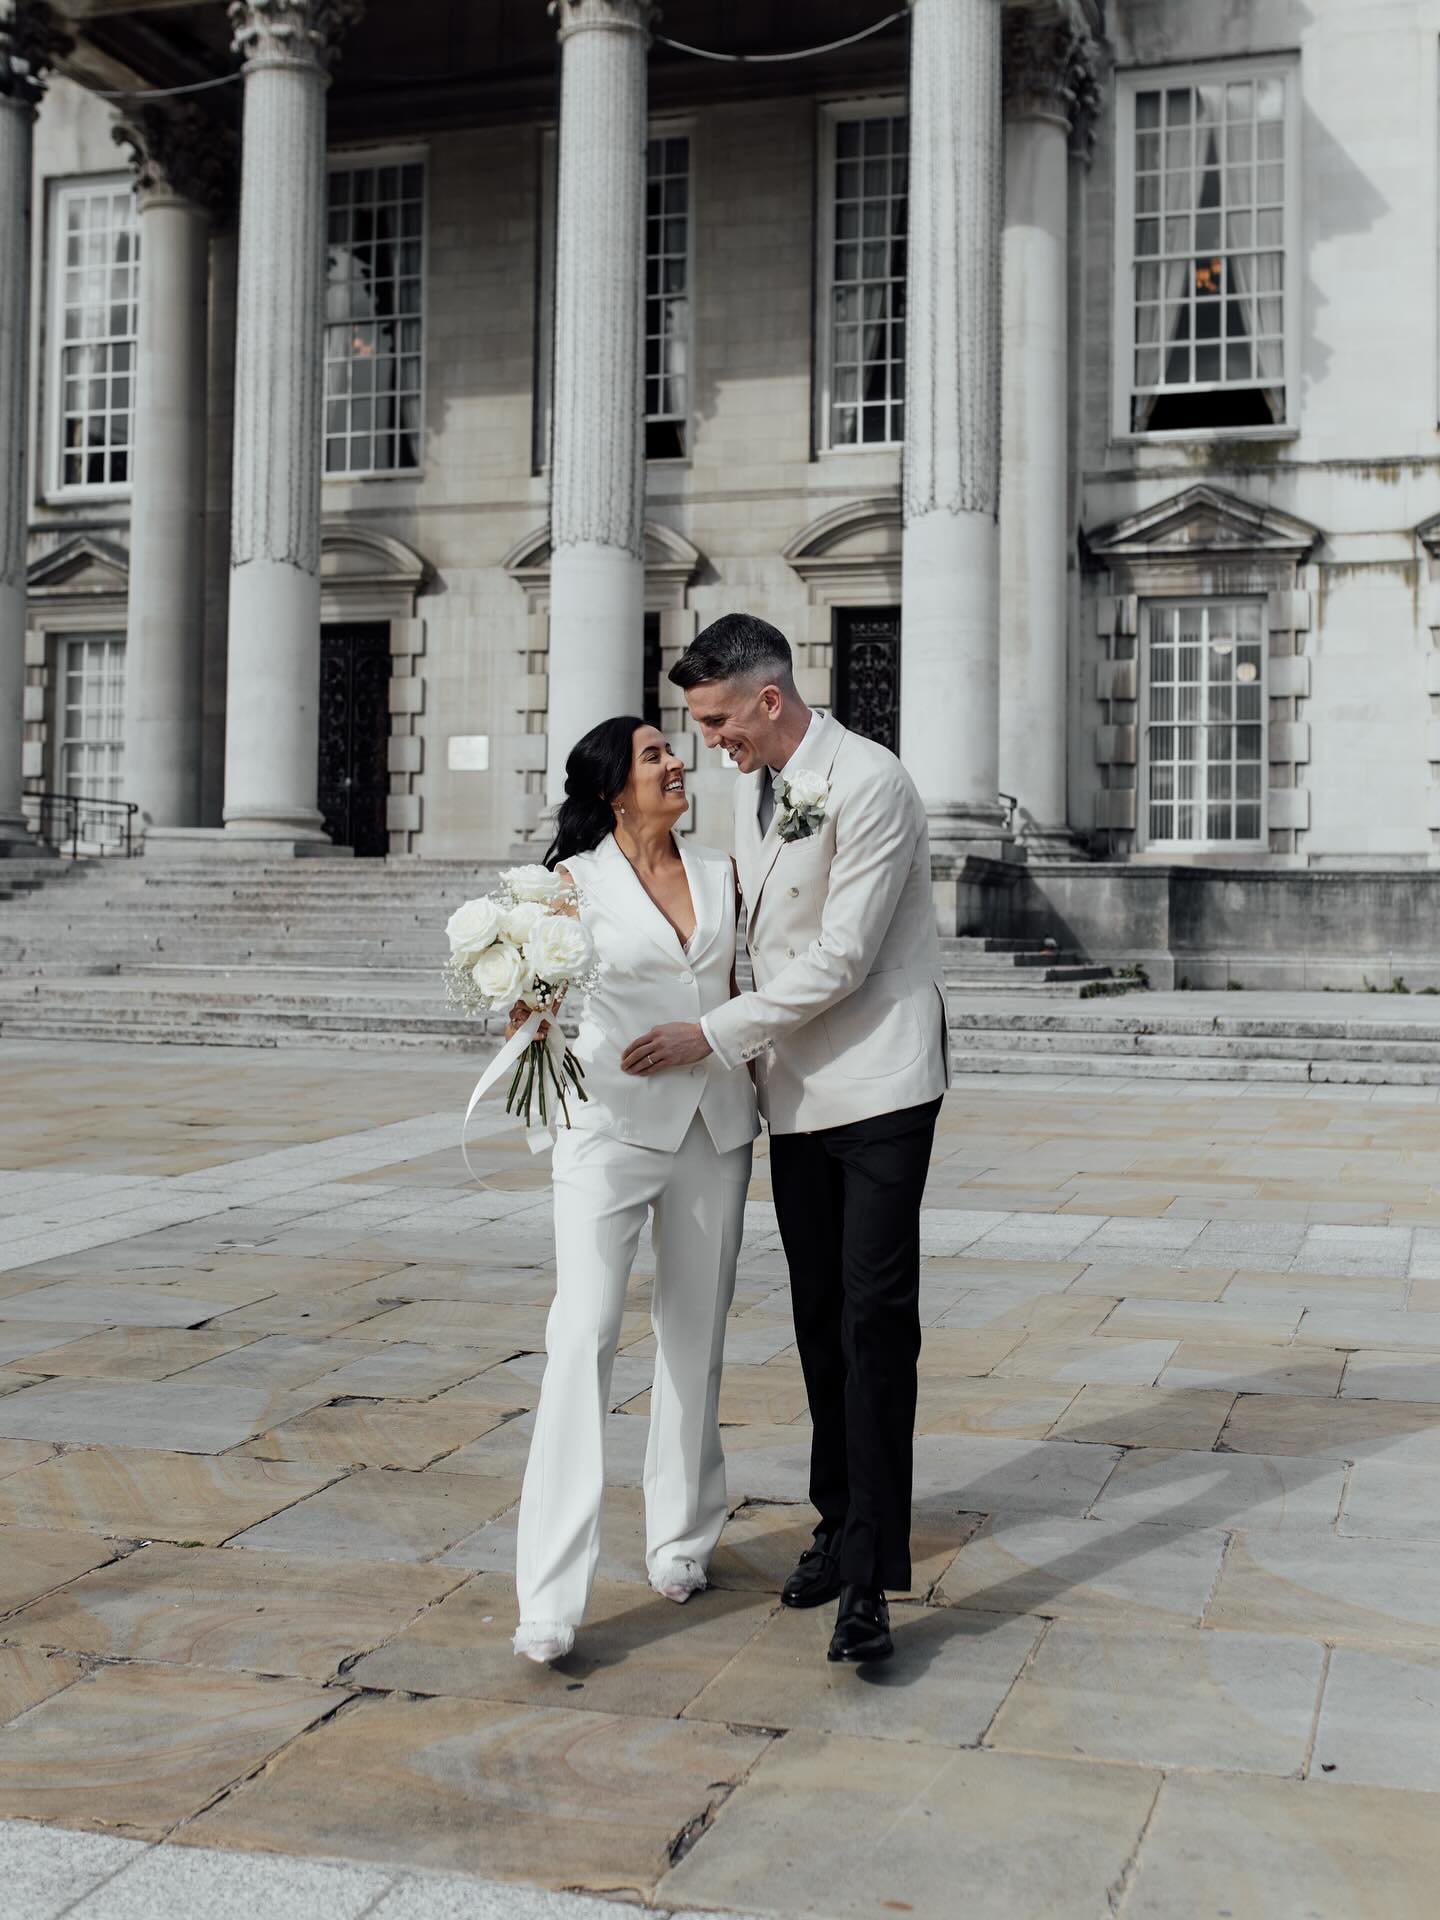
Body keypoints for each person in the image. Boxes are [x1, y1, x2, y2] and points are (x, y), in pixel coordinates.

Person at [621, 614, 949, 1665]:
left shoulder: (873, 781)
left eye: (719, 721)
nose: (709, 743)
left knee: (874, 1321)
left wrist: (710, 1034)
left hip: (882, 1083)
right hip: (794, 1092)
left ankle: (870, 1581)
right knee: (817, 1322)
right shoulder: (755, 786)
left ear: (769, 699)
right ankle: (837, 1524)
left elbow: (843, 958)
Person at [511, 715, 758, 1665]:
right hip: (608, 1132)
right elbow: (529, 1008)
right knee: (583, 1335)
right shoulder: (571, 884)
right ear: (615, 788)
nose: (676, 763)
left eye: (672, 751)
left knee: (695, 1337)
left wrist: (724, 1040)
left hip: (714, 1127)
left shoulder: (721, 872)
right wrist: (523, 1023)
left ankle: (682, 1538)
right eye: (655, 755)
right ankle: (549, 1597)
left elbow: (746, 985)